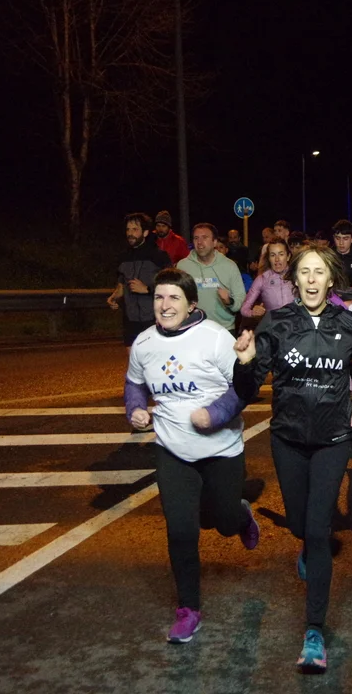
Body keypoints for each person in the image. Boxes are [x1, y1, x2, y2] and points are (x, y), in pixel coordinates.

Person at [232, 244, 352, 674]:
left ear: (331, 280)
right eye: (305, 273)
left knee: (317, 529)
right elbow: (247, 389)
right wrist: (245, 363)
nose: (312, 280)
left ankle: (314, 632)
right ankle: (308, 543)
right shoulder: (276, 322)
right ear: (295, 280)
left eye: (319, 272)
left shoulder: (348, 323)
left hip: (333, 439)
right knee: (299, 526)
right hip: (288, 438)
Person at [124, 268, 259, 644]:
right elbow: (134, 383)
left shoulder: (214, 338)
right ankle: (188, 609)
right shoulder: (144, 343)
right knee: (181, 531)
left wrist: (214, 414)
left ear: (191, 304)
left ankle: (240, 515)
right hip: (172, 451)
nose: (165, 305)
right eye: (159, 297)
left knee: (223, 522)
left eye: (174, 298)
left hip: (221, 450)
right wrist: (136, 409)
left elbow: (245, 389)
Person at [107, 212, 171, 347]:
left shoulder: (159, 256)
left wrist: (147, 289)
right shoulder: (123, 257)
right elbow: (121, 285)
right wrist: (114, 297)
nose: (130, 233)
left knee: (154, 359)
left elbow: (171, 286)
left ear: (145, 232)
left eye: (135, 229)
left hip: (154, 320)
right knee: (133, 359)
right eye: (128, 229)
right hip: (130, 321)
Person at [176, 223, 246, 333]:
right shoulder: (183, 266)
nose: (199, 242)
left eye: (204, 237)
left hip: (224, 329)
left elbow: (240, 298)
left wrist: (229, 302)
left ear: (214, 242)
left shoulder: (230, 266)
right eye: (196, 238)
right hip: (192, 329)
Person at [240, 239, 294, 320]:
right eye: (272, 255)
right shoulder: (262, 279)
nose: (277, 259)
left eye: (281, 254)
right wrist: (253, 312)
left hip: (297, 326)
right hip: (273, 326)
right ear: (268, 258)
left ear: (288, 256)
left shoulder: (298, 276)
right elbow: (244, 309)